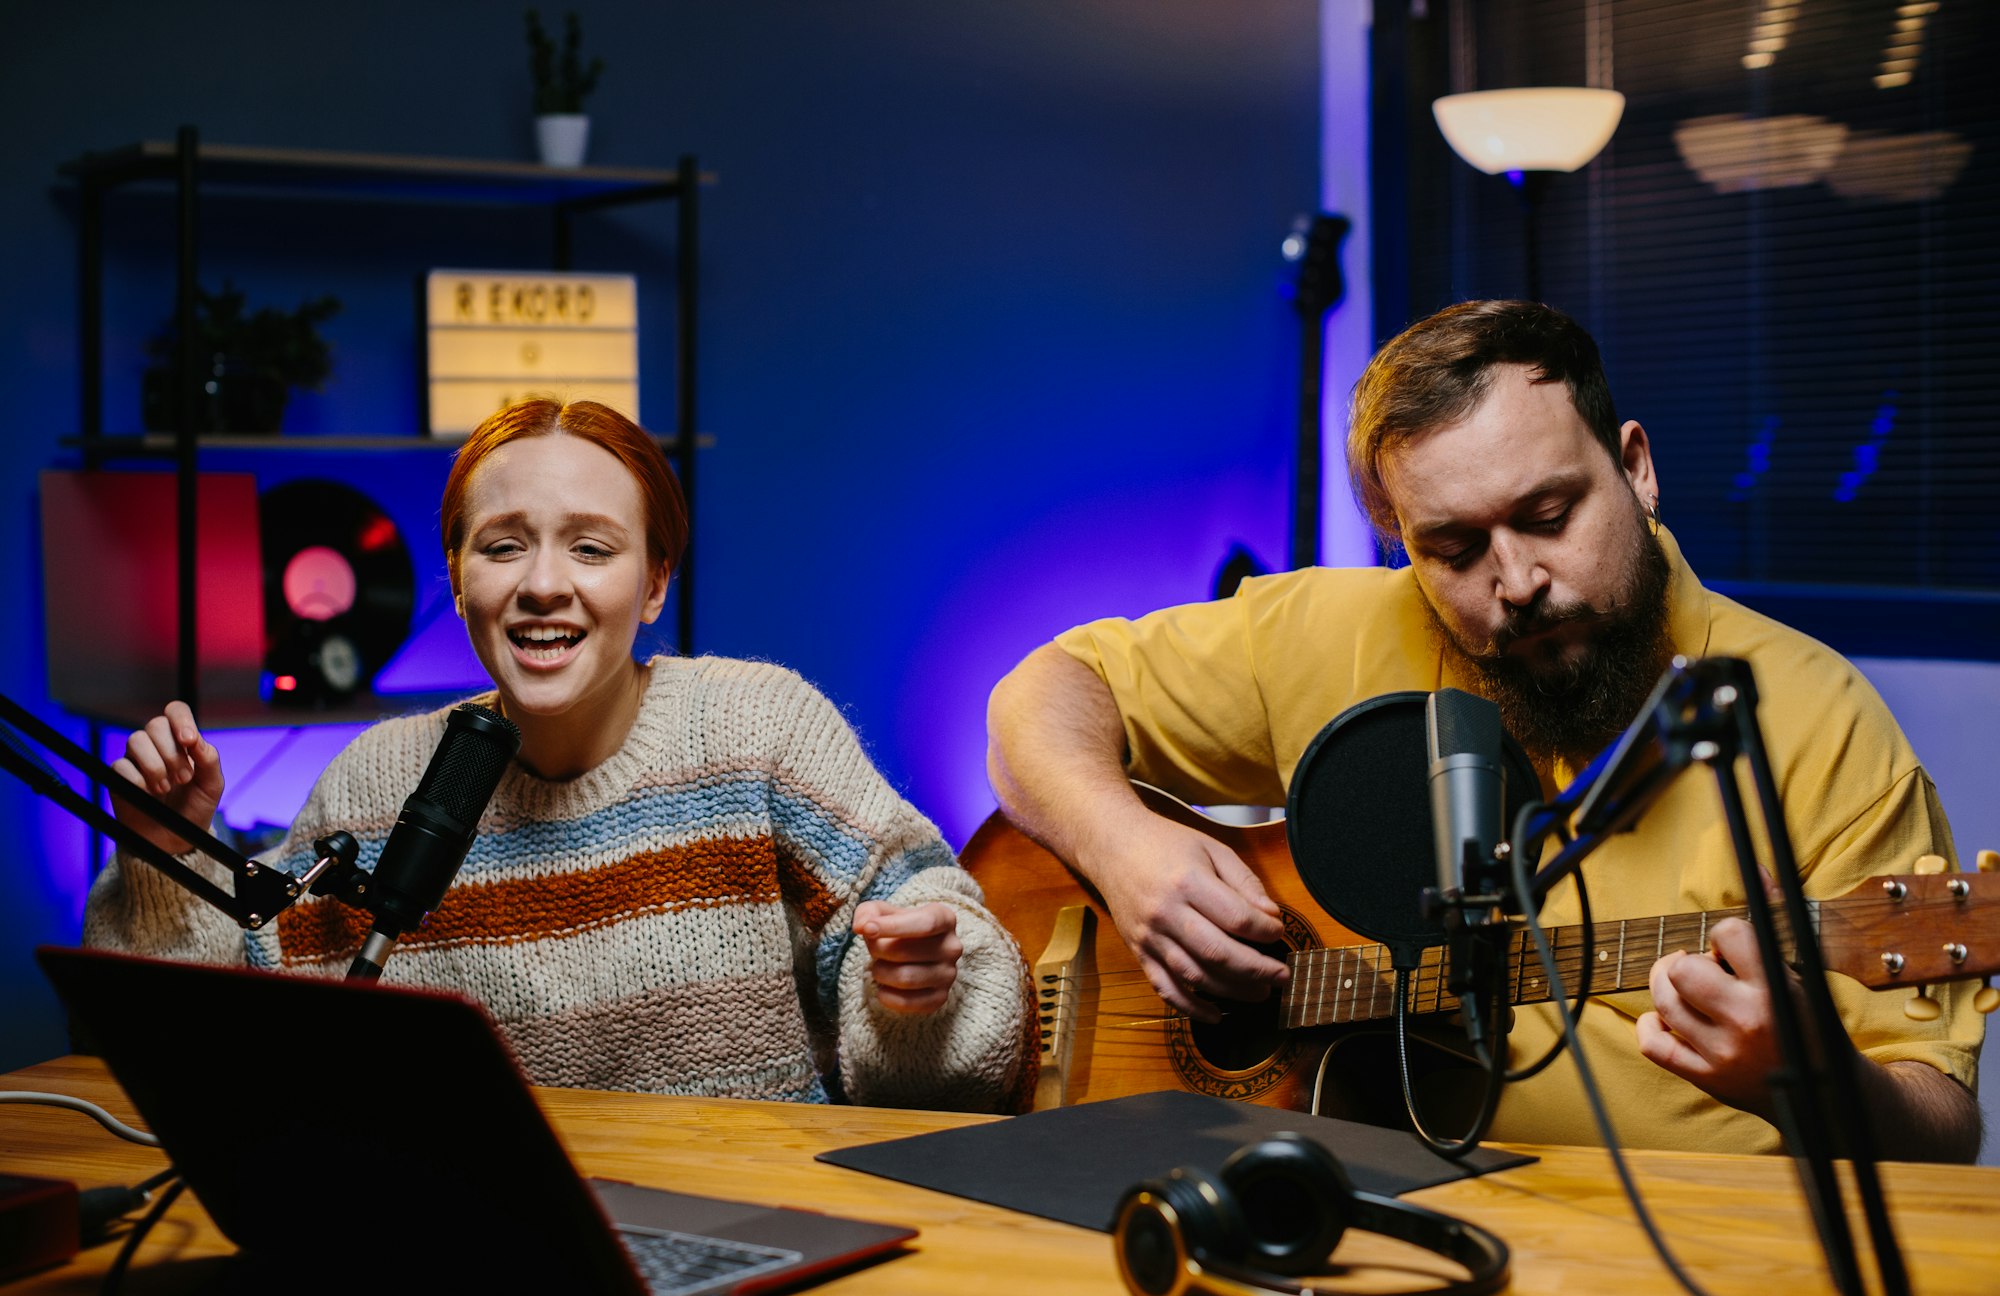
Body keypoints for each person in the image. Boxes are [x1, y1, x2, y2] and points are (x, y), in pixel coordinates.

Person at [986, 300, 1983, 1159]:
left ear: (1634, 469)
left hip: (1690, 1267)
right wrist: (1120, 847)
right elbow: (1040, 694)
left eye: (1548, 513)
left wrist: (1805, 1077)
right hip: (1353, 1224)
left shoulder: (1813, 718)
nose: (1514, 583)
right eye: (1452, 546)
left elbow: (1939, 1127)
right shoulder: (1334, 629)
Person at [87, 398, 1034, 1114]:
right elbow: (222, 1049)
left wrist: (920, 993)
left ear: (655, 581)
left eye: (591, 548)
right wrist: (165, 858)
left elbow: (959, 971)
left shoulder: (760, 732)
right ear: (457, 579)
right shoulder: (376, 786)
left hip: (763, 1235)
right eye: (503, 547)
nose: (544, 585)